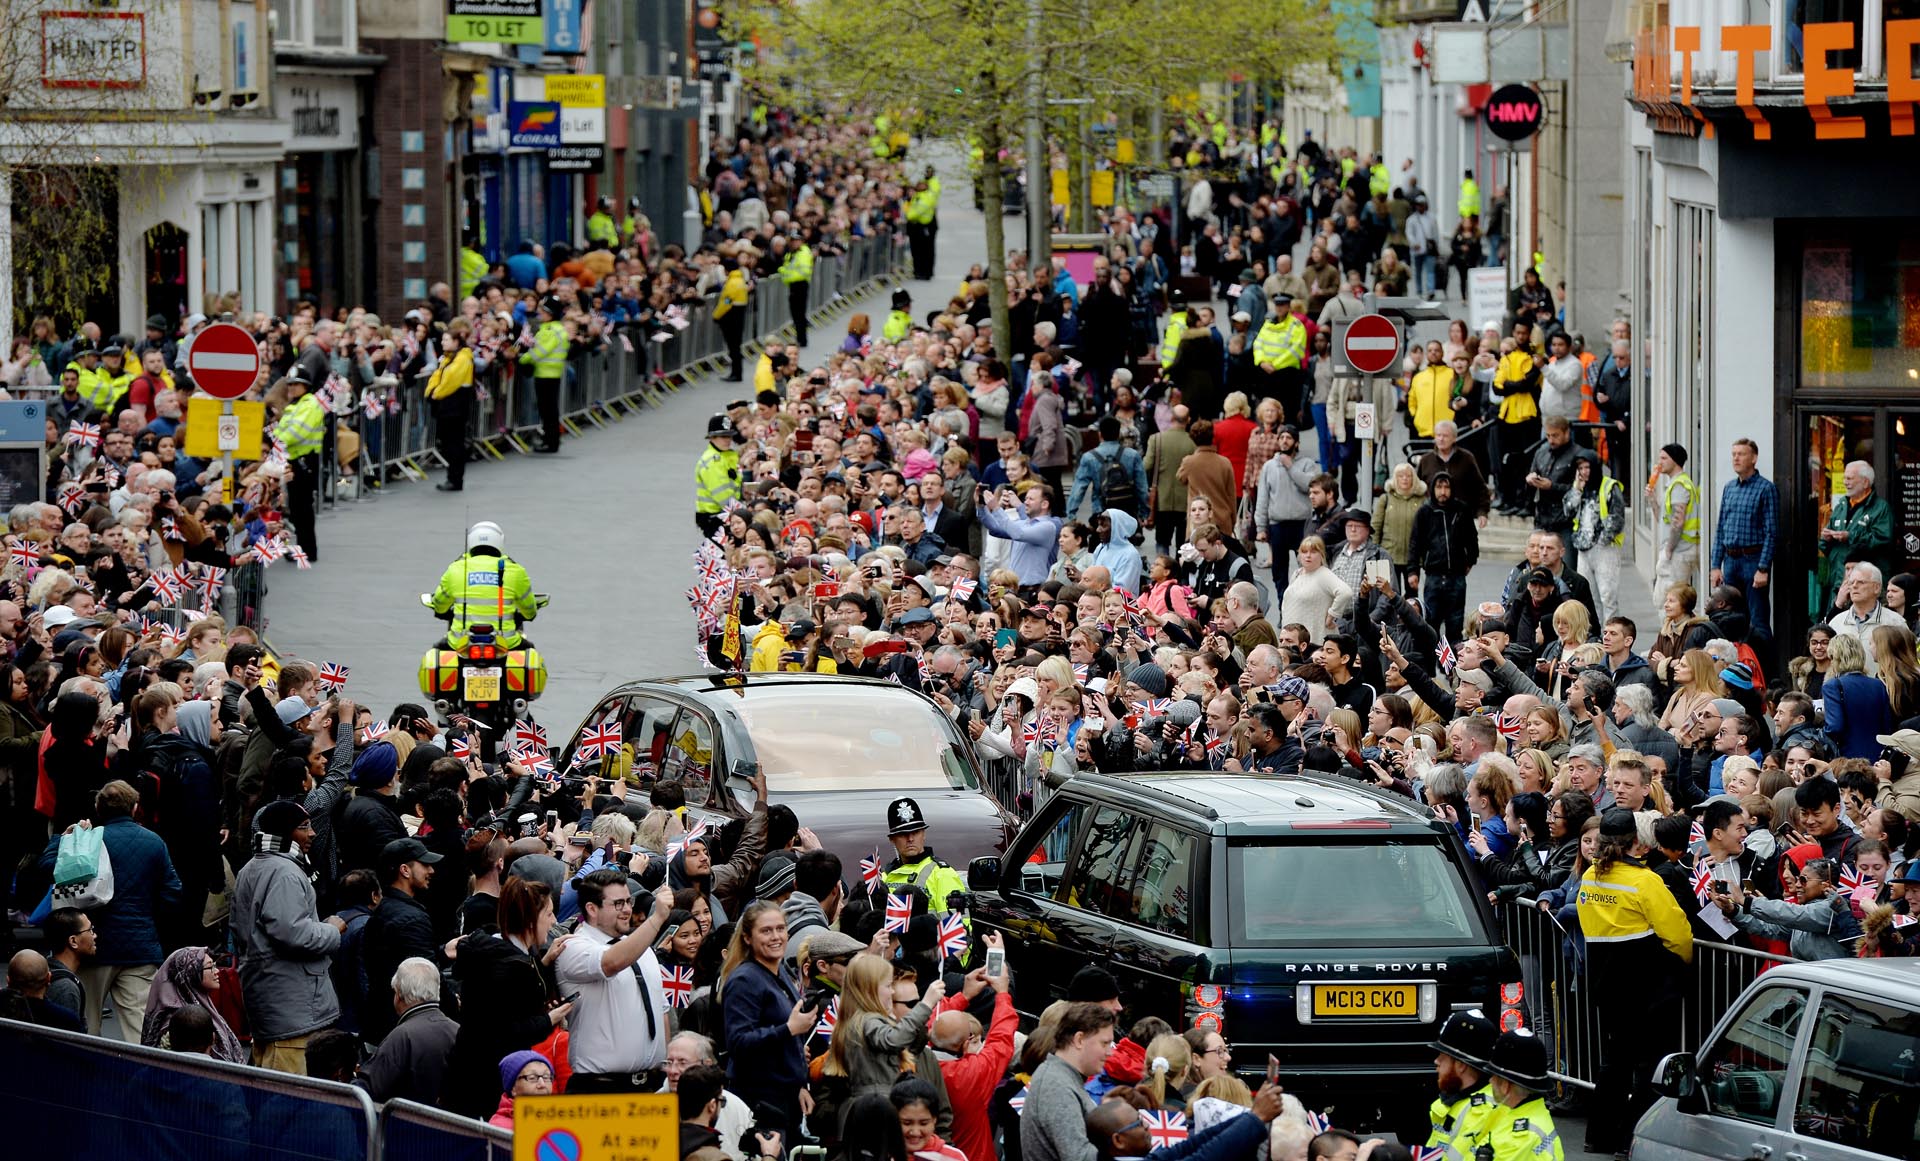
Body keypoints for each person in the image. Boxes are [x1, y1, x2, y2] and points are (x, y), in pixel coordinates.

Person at [1575, 808, 1691, 1153]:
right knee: (1648, 1067)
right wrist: (1680, 965)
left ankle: (1599, 1136)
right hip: (1647, 986)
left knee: (1614, 1064)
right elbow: (1679, 936)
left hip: (1606, 984)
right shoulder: (1645, 880)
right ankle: (1632, 1139)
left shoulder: (1591, 876)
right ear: (1637, 842)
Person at [443, 878, 574, 1118]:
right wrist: (550, 1018)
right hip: (485, 1084)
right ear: (530, 919)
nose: (554, 921)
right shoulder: (510, 967)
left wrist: (543, 964)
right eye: (549, 914)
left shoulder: (498, 949)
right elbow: (505, 1030)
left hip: (468, 1072)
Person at [231, 799, 345, 1075]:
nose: (312, 833)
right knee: (288, 1101)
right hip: (292, 1010)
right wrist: (332, 929)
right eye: (304, 827)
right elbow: (291, 931)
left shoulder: (253, 867)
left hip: (271, 1002)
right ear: (285, 833)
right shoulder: (285, 872)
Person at [560, 870, 678, 1093]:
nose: (627, 909)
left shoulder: (642, 948)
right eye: (617, 904)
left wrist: (666, 1069)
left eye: (628, 901)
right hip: (601, 1089)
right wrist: (657, 919)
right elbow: (611, 963)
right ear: (592, 909)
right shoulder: (573, 946)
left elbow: (660, 1011)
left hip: (651, 1086)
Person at [718, 900, 811, 1134]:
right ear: (748, 938)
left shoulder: (780, 972)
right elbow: (739, 1043)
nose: (776, 937)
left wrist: (798, 1082)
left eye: (780, 929)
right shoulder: (744, 980)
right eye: (766, 931)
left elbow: (780, 1038)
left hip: (785, 1098)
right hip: (758, 1102)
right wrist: (788, 1030)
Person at [358, 837, 442, 1043]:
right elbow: (423, 978)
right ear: (405, 870)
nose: (431, 871)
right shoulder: (412, 919)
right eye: (425, 865)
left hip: (383, 1024)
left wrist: (441, 952)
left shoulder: (384, 910)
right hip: (407, 1029)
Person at [1021, 1001, 1117, 1161]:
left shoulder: (1059, 1077)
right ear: (1079, 1039)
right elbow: (1079, 1157)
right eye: (1105, 1043)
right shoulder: (1057, 1086)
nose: (1110, 1053)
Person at [358, 957, 461, 1105]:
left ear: (399, 994)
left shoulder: (401, 1037)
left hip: (407, 1125)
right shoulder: (456, 1030)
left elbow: (367, 1088)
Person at [428, 520, 540, 650]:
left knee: (436, 655)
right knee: (530, 654)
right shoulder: (516, 571)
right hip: (506, 643)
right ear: (500, 542)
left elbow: (439, 606)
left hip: (460, 643)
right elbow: (530, 612)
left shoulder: (456, 568)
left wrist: (441, 610)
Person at [1709, 438, 1777, 641]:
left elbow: (1771, 532)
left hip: (1753, 561)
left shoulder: (1766, 489)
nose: (1736, 458)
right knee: (1729, 618)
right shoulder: (1729, 488)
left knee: (1758, 619)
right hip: (1730, 561)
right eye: (1733, 454)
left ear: (1754, 458)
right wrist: (1715, 565)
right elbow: (1721, 528)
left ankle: (1764, 668)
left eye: (1741, 454)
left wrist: (1763, 568)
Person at [140, 945, 244, 1062]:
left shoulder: (202, 1003)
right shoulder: (180, 1021)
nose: (217, 972)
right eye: (210, 967)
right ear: (191, 972)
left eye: (215, 965)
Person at [1818, 459, 1894, 611]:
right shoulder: (1841, 506)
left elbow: (1883, 540)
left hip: (1866, 585)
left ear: (1865, 482)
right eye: (1844, 478)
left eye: (1850, 478)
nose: (1845, 482)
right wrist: (1826, 539)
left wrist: (1850, 536)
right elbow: (1825, 547)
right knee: (1836, 627)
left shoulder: (1880, 508)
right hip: (1839, 582)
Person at [1425, 1009, 1499, 1161]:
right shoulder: (1455, 1102)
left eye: (1443, 1056)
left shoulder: (1483, 1115)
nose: (1436, 1061)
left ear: (1461, 1065)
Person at [1477, 1029, 1562, 1161]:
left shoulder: (1521, 1139)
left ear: (1505, 1085)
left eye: (1494, 1076)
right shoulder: (1521, 1114)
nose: (1490, 1081)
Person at [273, 364, 327, 562]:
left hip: (304, 462)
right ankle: (303, 548)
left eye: (296, 385)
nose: (292, 388)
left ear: (306, 387)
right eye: (290, 385)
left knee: (303, 508)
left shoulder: (309, 405)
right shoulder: (295, 406)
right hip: (295, 461)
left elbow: (294, 434)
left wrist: (274, 440)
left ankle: (308, 551)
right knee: (297, 508)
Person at [880, 796, 968, 915]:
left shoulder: (943, 875)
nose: (910, 839)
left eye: (915, 832)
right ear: (892, 839)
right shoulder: (884, 877)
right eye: (903, 834)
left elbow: (957, 926)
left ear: (924, 834)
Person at [1648, 443, 1700, 602]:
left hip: (1680, 549)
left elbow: (1678, 521)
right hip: (1678, 548)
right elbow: (1663, 521)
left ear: (1675, 461)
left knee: (1670, 599)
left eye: (1664, 458)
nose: (1659, 463)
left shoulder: (1679, 485)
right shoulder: (1671, 485)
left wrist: (1668, 549)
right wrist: (1652, 500)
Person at [527, 296, 569, 453]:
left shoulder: (550, 330)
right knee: (548, 409)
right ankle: (550, 439)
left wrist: (522, 359)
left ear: (550, 313)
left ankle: (551, 442)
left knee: (548, 410)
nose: (539, 313)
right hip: (550, 373)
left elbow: (538, 352)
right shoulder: (553, 328)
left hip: (546, 373)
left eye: (542, 310)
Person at [695, 413, 743, 537]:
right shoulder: (712, 461)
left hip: (726, 514)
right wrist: (740, 513)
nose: (727, 440)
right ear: (712, 438)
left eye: (729, 436)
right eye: (723, 436)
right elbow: (722, 495)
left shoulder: (728, 455)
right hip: (717, 517)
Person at [490, 1049, 556, 1130]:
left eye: (546, 1077)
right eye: (532, 1078)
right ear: (513, 1088)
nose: (542, 1084)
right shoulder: (500, 1127)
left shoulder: (561, 1117)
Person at [713, 256, 751, 383]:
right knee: (736, 347)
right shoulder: (740, 281)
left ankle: (736, 373)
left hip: (731, 317)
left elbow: (726, 301)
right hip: (738, 316)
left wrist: (716, 315)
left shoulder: (732, 283)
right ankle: (736, 372)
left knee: (733, 347)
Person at [777, 229, 816, 345]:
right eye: (792, 240)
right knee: (796, 314)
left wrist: (785, 274)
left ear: (801, 241)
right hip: (793, 285)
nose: (794, 243)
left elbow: (802, 272)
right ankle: (800, 338)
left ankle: (802, 340)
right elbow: (786, 267)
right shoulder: (791, 253)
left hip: (800, 285)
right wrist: (782, 270)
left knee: (799, 313)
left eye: (796, 240)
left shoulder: (803, 253)